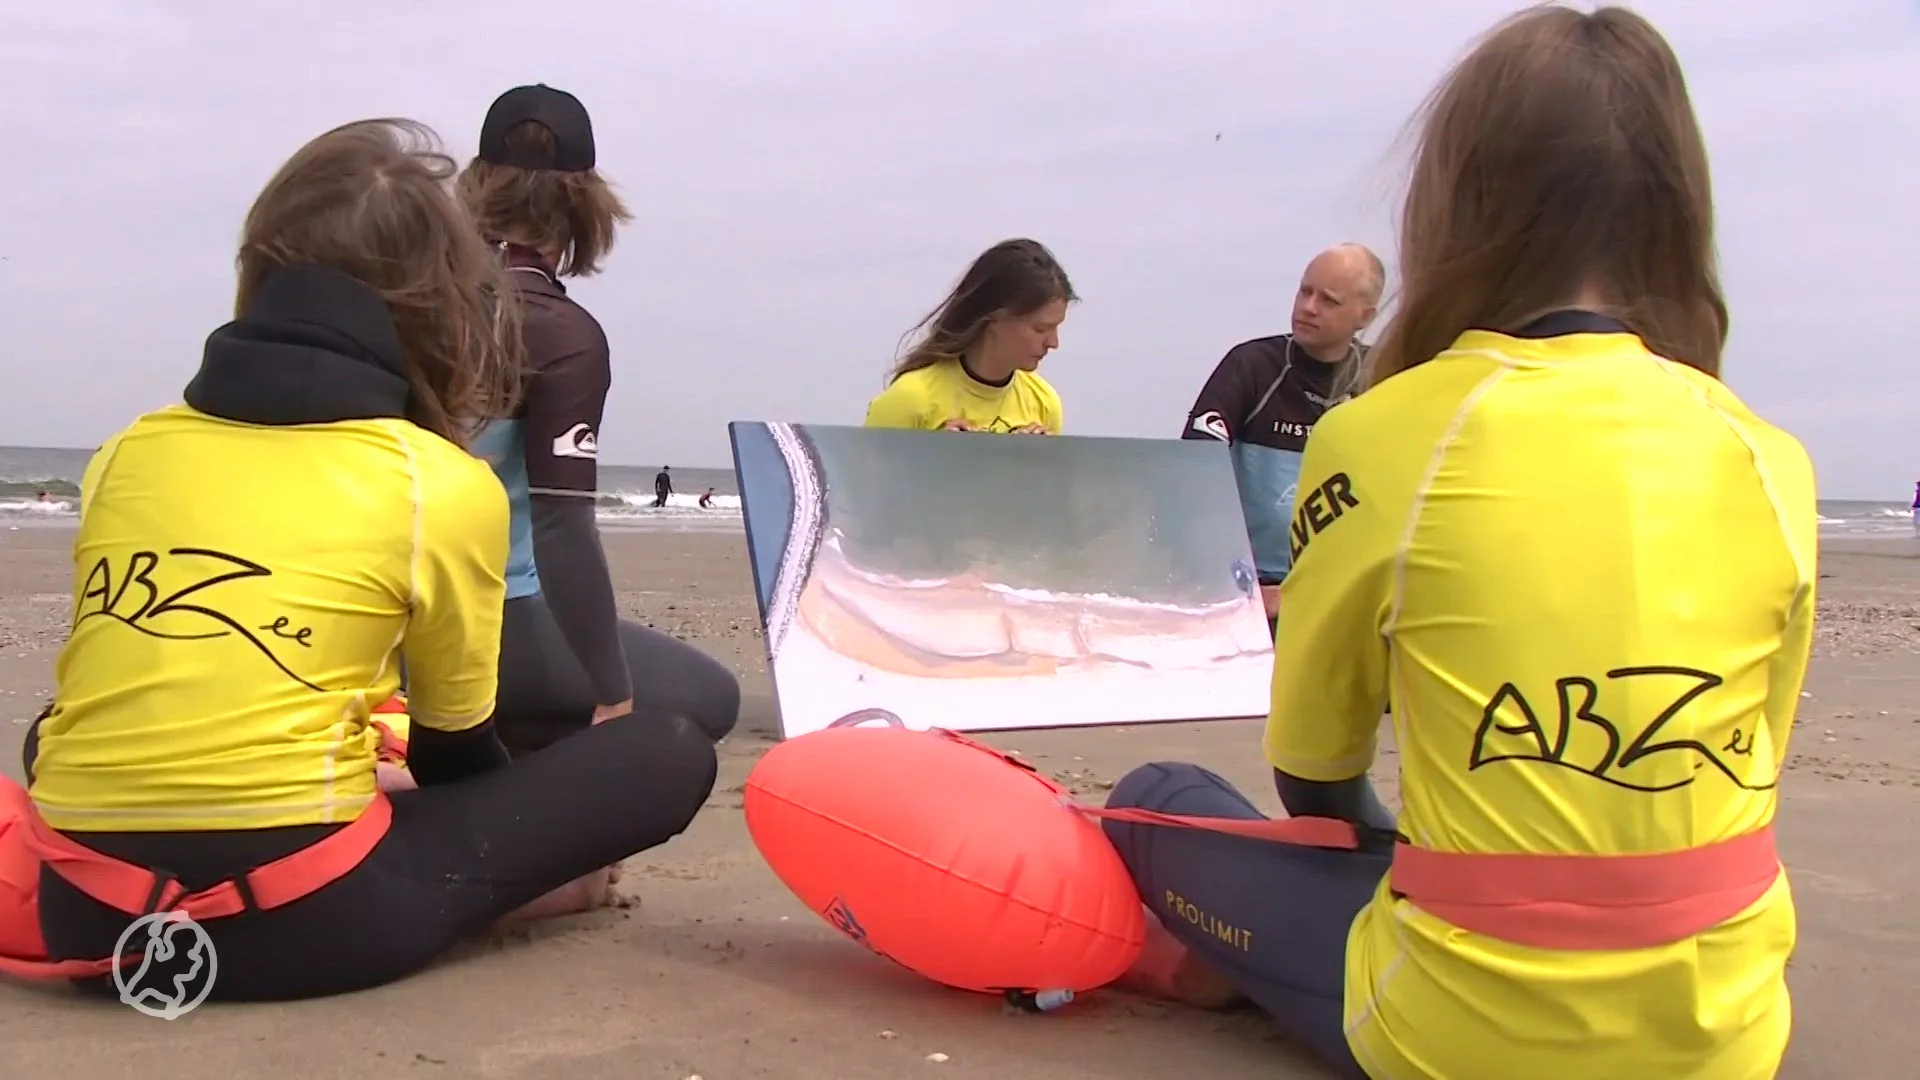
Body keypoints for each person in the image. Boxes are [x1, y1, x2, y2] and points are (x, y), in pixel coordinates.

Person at [1098, 7, 1813, 1078]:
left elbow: (1314, 774)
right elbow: (1731, 767)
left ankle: (1228, 966)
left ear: (1457, 197)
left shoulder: (1384, 435)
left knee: (1157, 794)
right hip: (1726, 1035)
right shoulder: (1769, 456)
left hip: (1459, 1033)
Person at [7, 118, 718, 1000]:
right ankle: (519, 901)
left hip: (87, 913)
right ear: (443, 309)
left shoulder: (124, 453)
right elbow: (456, 757)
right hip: (307, 922)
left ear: (254, 274)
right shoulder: (442, 484)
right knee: (669, 750)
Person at [459, 85, 739, 768]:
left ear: (474, 187)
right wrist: (613, 694)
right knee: (709, 697)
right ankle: (505, 753)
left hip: (360, 613)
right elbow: (560, 527)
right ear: (586, 205)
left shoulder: (413, 297)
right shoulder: (559, 332)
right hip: (480, 620)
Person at [1182, 243, 1381, 630]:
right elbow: (1194, 473)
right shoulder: (1253, 366)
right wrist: (1244, 587)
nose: (1308, 307)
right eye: (1305, 291)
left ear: (1364, 316)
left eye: (1329, 300)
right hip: (1253, 588)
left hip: (1341, 592)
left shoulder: (1380, 376)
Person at [864, 238, 1074, 435]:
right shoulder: (911, 399)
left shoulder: (1044, 402)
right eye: (1040, 329)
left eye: (1056, 328)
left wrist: (1035, 465)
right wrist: (933, 455)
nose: (1053, 343)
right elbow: (861, 474)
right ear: (994, 318)